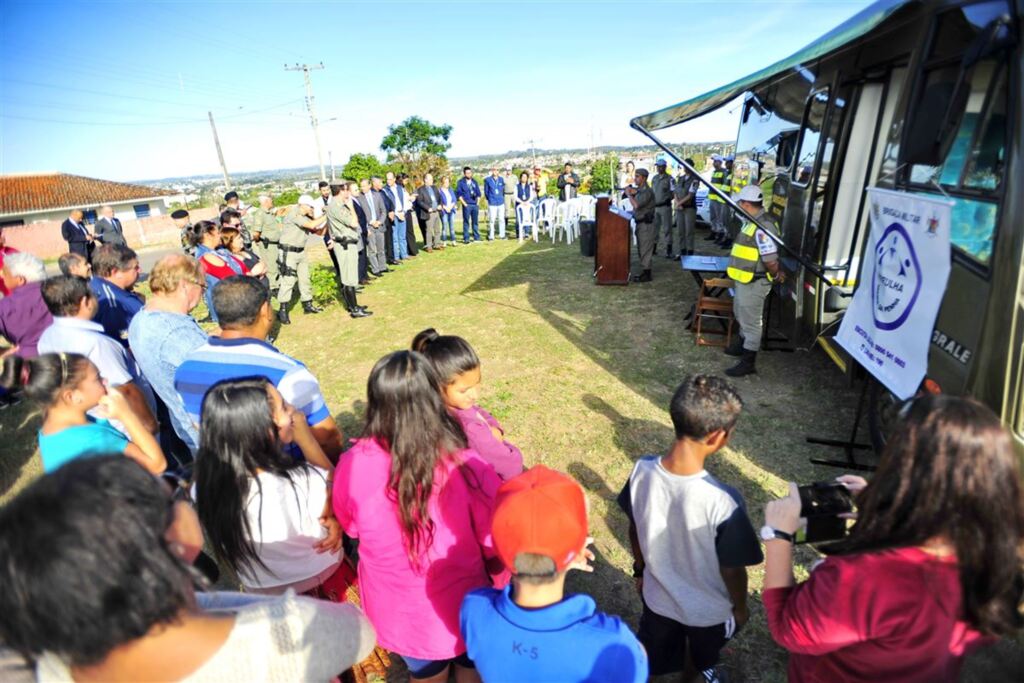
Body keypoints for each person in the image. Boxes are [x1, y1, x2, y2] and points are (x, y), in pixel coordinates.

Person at [0, 455, 376, 683]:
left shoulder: (45, 660)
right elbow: (359, 632)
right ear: (175, 539)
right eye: (173, 488)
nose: (184, 490)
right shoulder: (283, 636)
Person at [761, 395, 1023, 683]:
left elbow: (789, 629)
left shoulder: (866, 575)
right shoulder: (997, 555)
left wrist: (778, 536)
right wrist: (884, 507)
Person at [332, 350, 506, 682]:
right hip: (465, 604)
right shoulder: (467, 464)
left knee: (427, 676)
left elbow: (350, 526)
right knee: (471, 670)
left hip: (400, 612)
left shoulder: (353, 463)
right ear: (435, 399)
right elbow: (494, 538)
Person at [618, 375, 762, 683]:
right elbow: (733, 570)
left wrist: (640, 570)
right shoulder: (724, 502)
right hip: (708, 613)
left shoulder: (640, 470)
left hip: (656, 599)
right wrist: (740, 607)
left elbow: (633, 527)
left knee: (652, 658)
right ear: (717, 438)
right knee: (700, 656)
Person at [462, 466, 648, 683]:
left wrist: (560, 557)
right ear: (580, 544)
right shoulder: (614, 645)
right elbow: (639, 661)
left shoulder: (474, 609)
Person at [194, 376, 352, 598]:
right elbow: (338, 490)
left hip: (262, 598)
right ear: (268, 428)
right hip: (325, 588)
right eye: (285, 406)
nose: (295, 411)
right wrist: (306, 440)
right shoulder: (302, 482)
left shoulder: (204, 487)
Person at [174, 275, 343, 463]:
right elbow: (328, 439)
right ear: (265, 310)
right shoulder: (287, 373)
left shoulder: (184, 371)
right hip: (287, 477)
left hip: (226, 474)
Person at [0, 352, 165, 473]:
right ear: (71, 396)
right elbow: (157, 465)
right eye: (97, 378)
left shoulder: (49, 429)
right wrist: (126, 414)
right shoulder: (95, 439)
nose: (105, 382)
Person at [38, 275, 157, 433]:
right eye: (95, 296)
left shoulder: (47, 337)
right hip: (125, 425)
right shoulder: (97, 344)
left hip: (88, 418)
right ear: (84, 302)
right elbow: (125, 389)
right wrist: (150, 425)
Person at [412, 328, 523, 482]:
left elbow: (476, 410)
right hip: (490, 491)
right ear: (437, 386)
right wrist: (511, 448)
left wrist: (494, 428)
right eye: (464, 390)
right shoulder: (471, 429)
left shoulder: (435, 405)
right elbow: (511, 468)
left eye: (477, 383)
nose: (474, 394)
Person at [128, 254, 208, 460]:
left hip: (184, 424)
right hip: (209, 435)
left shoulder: (142, 317)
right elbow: (213, 382)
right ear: (184, 286)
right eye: (202, 286)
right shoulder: (176, 333)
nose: (203, 293)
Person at [724, 184, 784, 377]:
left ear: (746, 204)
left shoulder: (763, 226)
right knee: (740, 312)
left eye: (740, 203)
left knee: (751, 321)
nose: (738, 206)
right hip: (744, 279)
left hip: (755, 281)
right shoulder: (751, 220)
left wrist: (776, 275)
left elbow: (770, 260)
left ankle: (748, 362)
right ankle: (742, 345)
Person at [276, 195, 326, 325]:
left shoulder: (304, 216)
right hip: (289, 252)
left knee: (305, 278)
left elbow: (317, 230)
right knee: (288, 280)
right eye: (310, 206)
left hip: (301, 251)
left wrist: (324, 220)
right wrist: (328, 215)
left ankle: (307, 304)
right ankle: (282, 310)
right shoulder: (294, 214)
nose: (311, 208)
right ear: (303, 205)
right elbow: (312, 224)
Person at [325, 183, 372, 318]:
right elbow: (354, 223)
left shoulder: (336, 205)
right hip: (345, 245)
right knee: (349, 278)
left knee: (349, 276)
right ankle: (354, 309)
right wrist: (351, 207)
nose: (348, 193)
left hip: (347, 243)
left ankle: (353, 306)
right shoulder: (336, 206)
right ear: (341, 191)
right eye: (346, 190)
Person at [190, 220, 247, 323]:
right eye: (217, 233)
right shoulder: (206, 256)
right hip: (228, 305)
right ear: (208, 235)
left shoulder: (217, 250)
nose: (220, 235)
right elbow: (231, 277)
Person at [89, 244, 145, 348]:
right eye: (135, 267)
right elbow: (127, 347)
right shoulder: (113, 305)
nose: (140, 270)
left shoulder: (97, 286)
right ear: (115, 272)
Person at [0, 252, 53, 360]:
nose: (1, 275)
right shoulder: (62, 293)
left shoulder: (4, 307)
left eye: (5, 272)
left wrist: (4, 351)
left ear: (20, 279)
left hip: (27, 364)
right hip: (70, 360)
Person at [627, 168, 656, 283]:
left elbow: (636, 205)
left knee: (645, 249)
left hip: (646, 224)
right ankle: (645, 271)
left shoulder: (647, 191)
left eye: (638, 176)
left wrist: (629, 195)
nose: (635, 178)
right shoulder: (640, 190)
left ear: (644, 178)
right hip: (640, 223)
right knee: (641, 248)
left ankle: (647, 274)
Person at [249, 194, 281, 294]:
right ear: (266, 201)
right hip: (268, 245)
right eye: (271, 200)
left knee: (277, 265)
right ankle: (273, 288)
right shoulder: (260, 214)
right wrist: (261, 241)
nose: (272, 201)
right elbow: (256, 233)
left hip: (275, 244)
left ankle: (278, 285)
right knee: (271, 267)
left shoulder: (269, 213)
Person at [358, 178, 389, 277]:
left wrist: (380, 221)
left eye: (364, 186)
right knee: (372, 250)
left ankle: (382, 266)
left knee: (381, 248)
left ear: (369, 186)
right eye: (361, 186)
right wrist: (370, 222)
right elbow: (361, 214)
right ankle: (375, 269)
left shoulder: (377, 195)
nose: (362, 188)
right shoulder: (360, 198)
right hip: (369, 227)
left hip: (379, 225)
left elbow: (383, 211)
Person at [673, 159, 700, 257]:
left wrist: (679, 203)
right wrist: (677, 203)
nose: (685, 168)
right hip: (680, 208)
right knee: (680, 231)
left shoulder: (695, 179)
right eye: (684, 165)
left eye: (688, 166)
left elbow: (691, 194)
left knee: (689, 231)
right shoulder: (681, 178)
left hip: (689, 208)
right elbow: (675, 191)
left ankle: (690, 251)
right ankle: (682, 251)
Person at [383, 172, 410, 263]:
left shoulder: (400, 188)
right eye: (387, 179)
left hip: (402, 214)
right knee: (394, 238)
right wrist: (397, 214)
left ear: (394, 179)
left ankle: (404, 254)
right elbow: (386, 205)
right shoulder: (385, 190)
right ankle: (396, 256)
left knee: (402, 236)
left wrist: (403, 212)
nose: (388, 181)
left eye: (390, 179)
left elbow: (405, 201)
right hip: (394, 216)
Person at [651, 158, 675, 258]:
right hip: (655, 207)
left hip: (665, 207)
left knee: (667, 229)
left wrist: (668, 198)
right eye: (658, 166)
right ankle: (653, 249)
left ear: (665, 167)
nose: (659, 168)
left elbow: (673, 193)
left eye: (661, 166)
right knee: (654, 229)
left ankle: (669, 250)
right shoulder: (654, 178)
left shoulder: (670, 179)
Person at [416, 173, 443, 252]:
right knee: (429, 230)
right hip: (429, 213)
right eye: (430, 179)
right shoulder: (421, 189)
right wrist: (428, 208)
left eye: (432, 179)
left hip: (436, 211)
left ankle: (437, 244)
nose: (432, 181)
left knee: (437, 229)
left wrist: (440, 205)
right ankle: (429, 246)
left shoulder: (434, 188)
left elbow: (439, 198)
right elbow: (419, 202)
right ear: (425, 180)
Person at [707, 155, 730, 245]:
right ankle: (714, 232)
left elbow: (724, 186)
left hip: (718, 199)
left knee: (720, 218)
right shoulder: (714, 172)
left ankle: (721, 234)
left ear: (720, 162)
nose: (713, 163)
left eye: (715, 161)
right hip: (712, 198)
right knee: (713, 217)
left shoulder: (724, 172)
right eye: (713, 161)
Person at [456, 166, 482, 244]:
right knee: (466, 222)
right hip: (467, 205)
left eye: (470, 173)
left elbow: (478, 194)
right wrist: (464, 204)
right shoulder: (461, 182)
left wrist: (477, 203)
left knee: (475, 222)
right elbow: (459, 194)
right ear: (464, 174)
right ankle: (466, 238)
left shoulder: (474, 182)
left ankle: (476, 237)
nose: (469, 174)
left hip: (474, 205)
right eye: (467, 173)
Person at [484, 168, 506, 241]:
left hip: (500, 202)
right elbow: (486, 192)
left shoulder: (501, 179)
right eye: (493, 170)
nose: (495, 171)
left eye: (496, 170)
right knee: (492, 220)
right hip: (492, 202)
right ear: (491, 171)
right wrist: (490, 199)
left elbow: (503, 190)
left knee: (501, 219)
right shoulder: (487, 180)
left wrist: (501, 197)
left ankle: (502, 235)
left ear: (498, 171)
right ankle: (491, 235)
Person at [514, 171, 536, 239]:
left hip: (527, 205)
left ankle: (526, 233)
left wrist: (527, 202)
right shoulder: (516, 186)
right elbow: (515, 196)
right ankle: (518, 233)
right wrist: (521, 202)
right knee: (518, 219)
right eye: (523, 177)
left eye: (525, 177)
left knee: (527, 218)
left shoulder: (529, 186)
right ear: (520, 178)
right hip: (519, 205)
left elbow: (531, 196)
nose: (524, 178)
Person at [439, 176, 458, 246]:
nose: (447, 184)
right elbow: (439, 202)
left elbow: (454, 199)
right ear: (442, 183)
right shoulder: (439, 191)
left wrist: (451, 206)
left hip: (451, 210)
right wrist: (445, 207)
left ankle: (453, 240)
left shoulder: (450, 190)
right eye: (445, 182)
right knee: (445, 226)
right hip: (444, 211)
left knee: (452, 226)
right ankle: (444, 241)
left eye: (448, 182)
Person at [0, 225, 18, 297]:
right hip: (10, 297)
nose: (2, 237)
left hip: (24, 291)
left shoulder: (11, 250)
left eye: (1, 234)